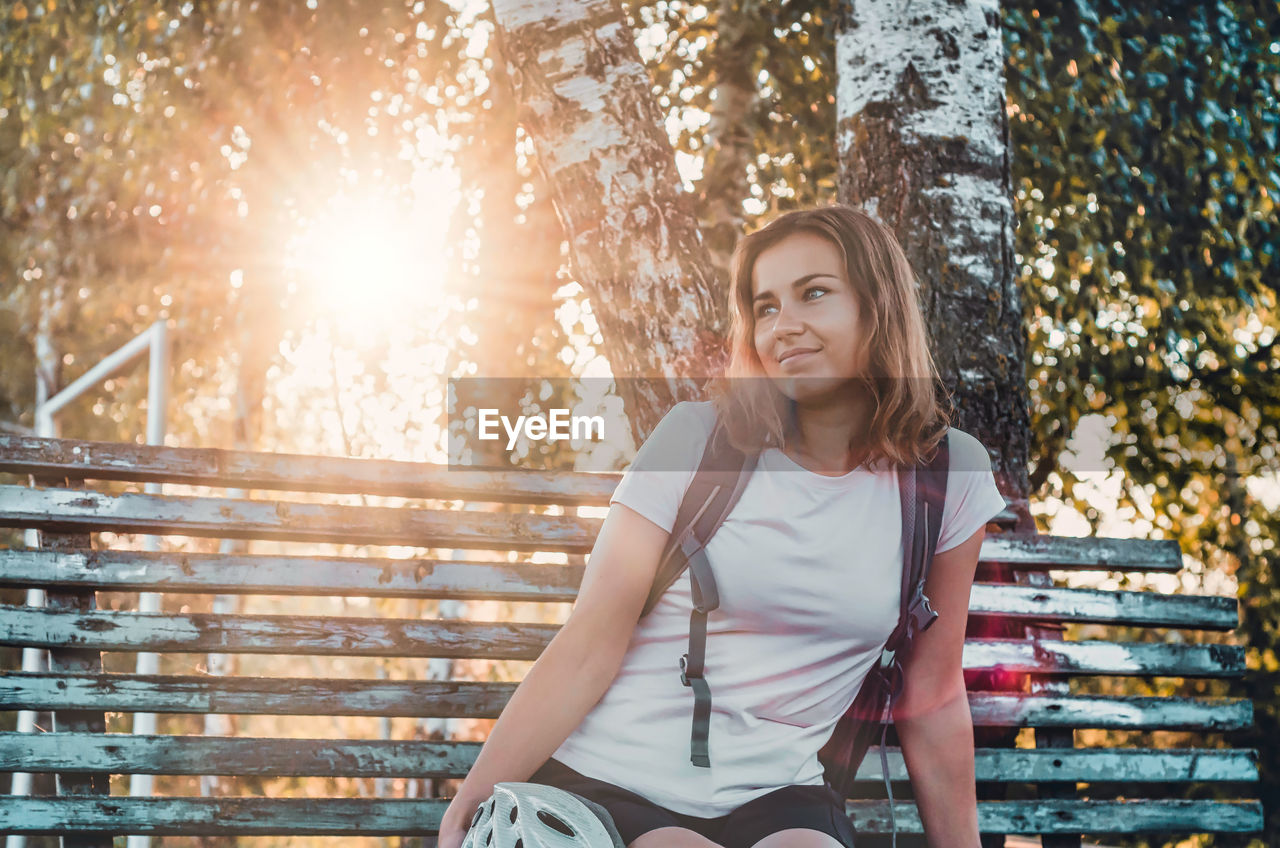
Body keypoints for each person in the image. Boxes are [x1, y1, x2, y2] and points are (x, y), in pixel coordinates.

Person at [437, 204, 1007, 848]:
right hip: (611, 781)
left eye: (813, 294)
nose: (784, 327)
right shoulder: (696, 438)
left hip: (780, 792)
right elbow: (588, 644)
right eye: (765, 307)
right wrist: (471, 802)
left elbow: (932, 689)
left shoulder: (946, 475)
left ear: (879, 308)